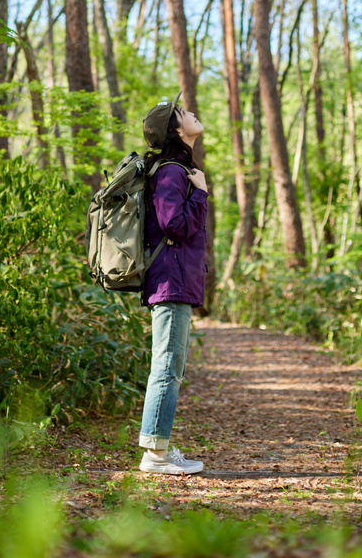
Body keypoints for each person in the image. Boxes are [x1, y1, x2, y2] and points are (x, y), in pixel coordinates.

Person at [137, 90, 209, 475]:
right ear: (176, 130)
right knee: (167, 367)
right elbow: (174, 225)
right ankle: (155, 455)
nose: (190, 111)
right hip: (170, 281)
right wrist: (201, 195)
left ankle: (159, 448)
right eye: (182, 111)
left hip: (174, 280)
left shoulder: (178, 170)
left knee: (170, 367)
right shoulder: (171, 172)